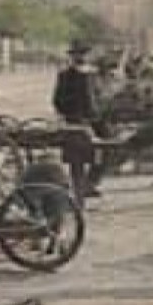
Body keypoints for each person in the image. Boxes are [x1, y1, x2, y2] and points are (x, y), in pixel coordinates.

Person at [52, 40, 103, 200]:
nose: (80, 57)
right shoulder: (88, 76)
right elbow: (93, 102)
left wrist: (66, 112)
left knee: (76, 165)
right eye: (78, 54)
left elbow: (57, 101)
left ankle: (81, 192)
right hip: (86, 124)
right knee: (98, 154)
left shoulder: (64, 75)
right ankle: (85, 189)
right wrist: (95, 117)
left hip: (70, 123)